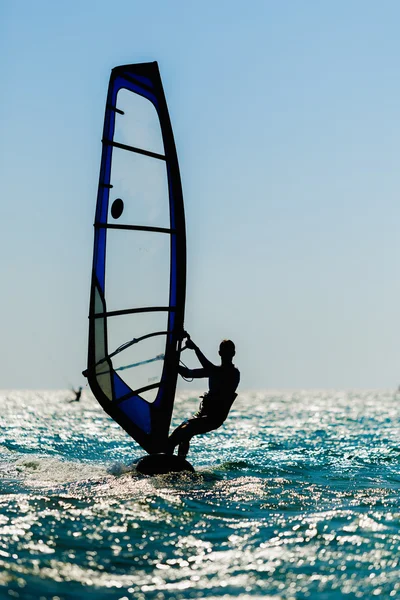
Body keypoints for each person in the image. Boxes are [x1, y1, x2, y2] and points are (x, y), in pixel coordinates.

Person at [167, 335, 240, 458]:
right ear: (220, 353)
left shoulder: (233, 373)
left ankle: (175, 463)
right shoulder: (214, 371)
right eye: (224, 351)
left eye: (228, 351)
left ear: (233, 353)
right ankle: (177, 461)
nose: (226, 354)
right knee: (180, 436)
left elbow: (210, 368)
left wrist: (195, 348)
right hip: (203, 415)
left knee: (181, 433)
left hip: (214, 418)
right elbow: (188, 373)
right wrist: (170, 363)